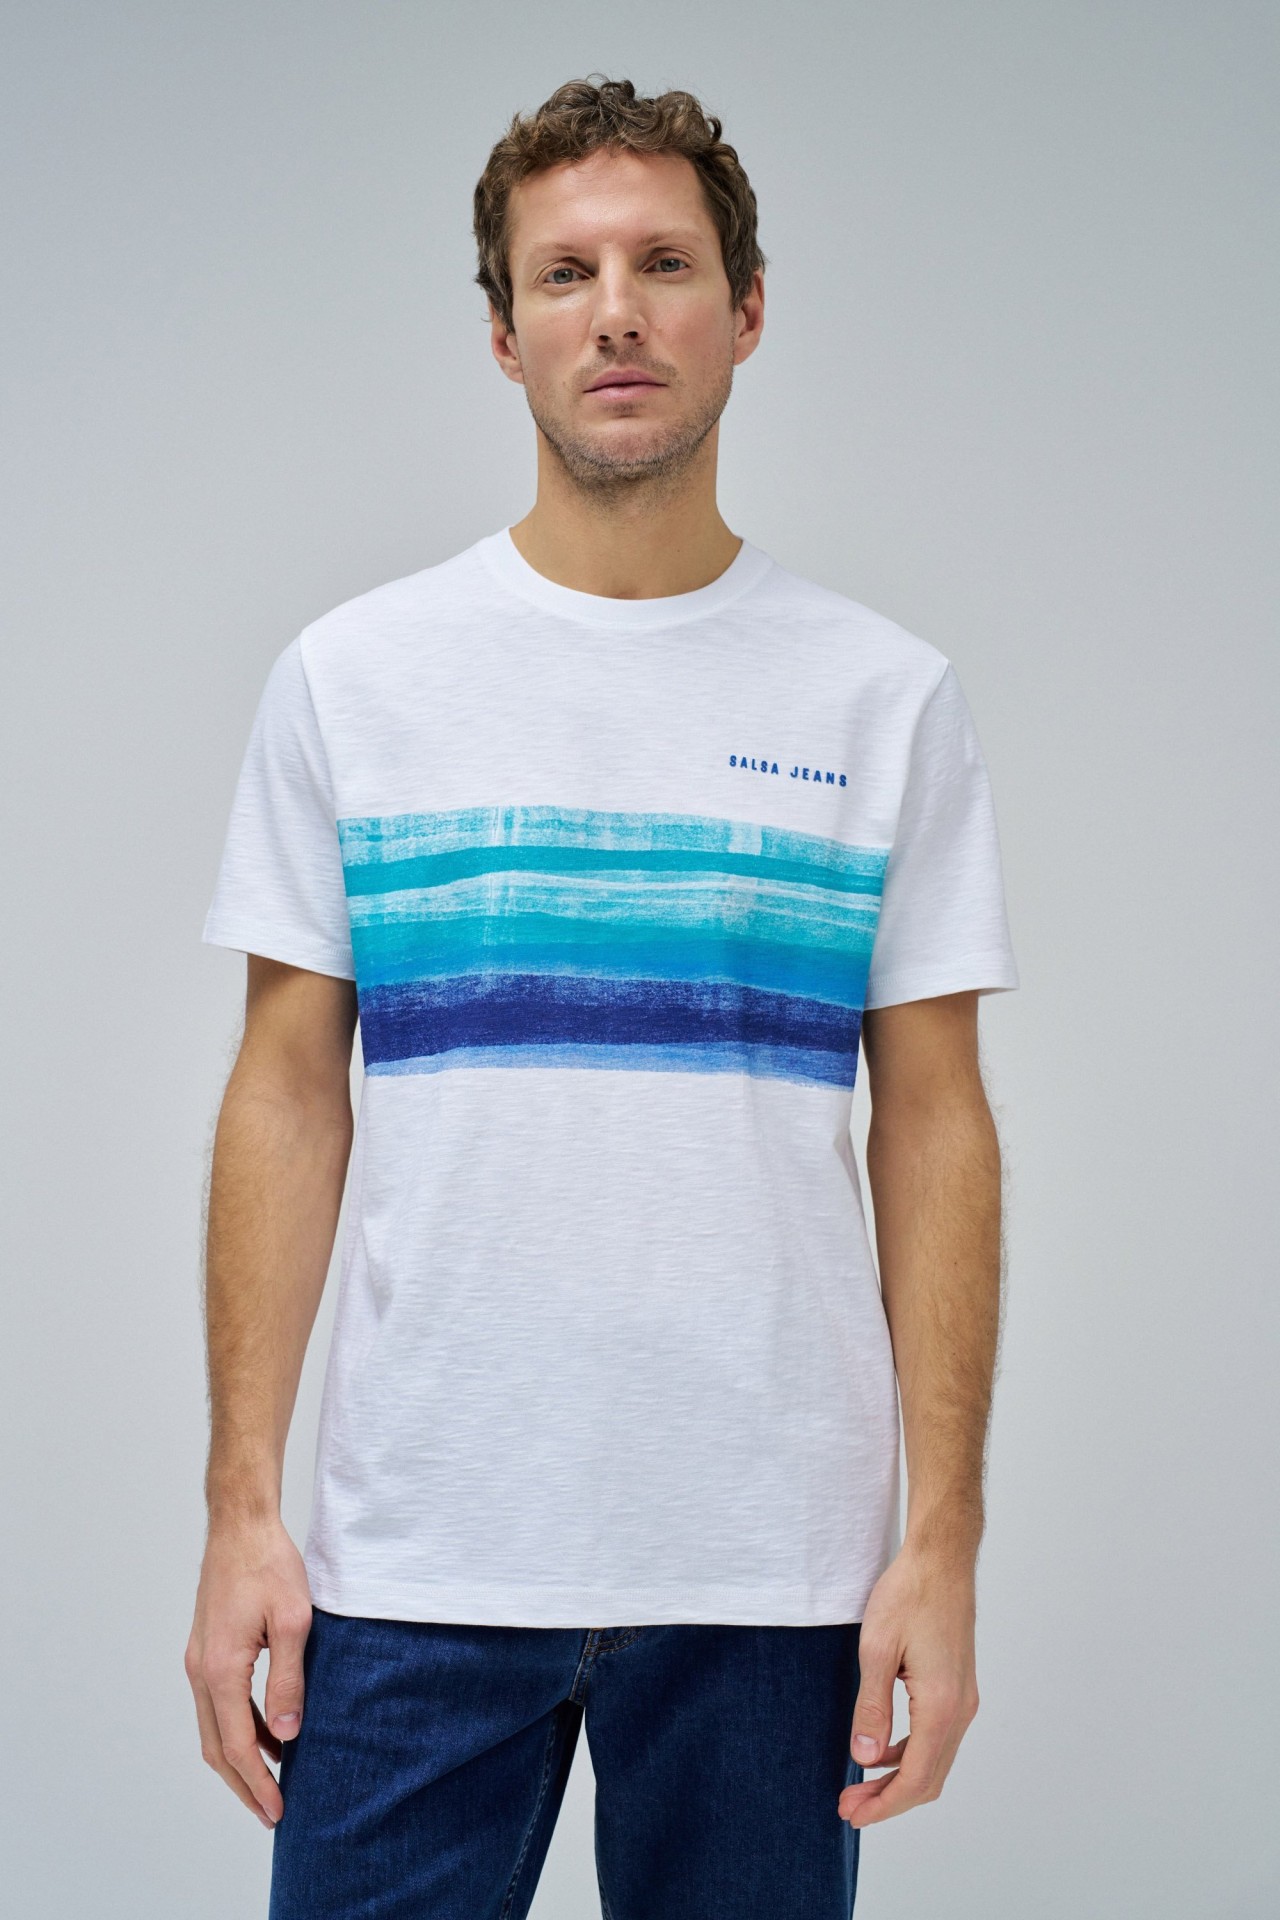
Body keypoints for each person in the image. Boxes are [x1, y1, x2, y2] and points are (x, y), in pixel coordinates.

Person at [185, 73, 1019, 1920]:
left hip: (772, 1576)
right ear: (504, 332)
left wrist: (944, 1542)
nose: (617, 312)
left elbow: (937, 1121)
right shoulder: (355, 679)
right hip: (418, 1559)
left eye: (665, 263)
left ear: (749, 306)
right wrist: (242, 1504)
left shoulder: (881, 696)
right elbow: (287, 1091)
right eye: (565, 274)